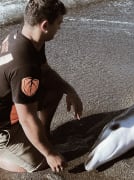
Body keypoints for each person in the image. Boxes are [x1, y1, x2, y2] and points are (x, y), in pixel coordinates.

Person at [0, 0, 83, 173]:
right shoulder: (25, 65)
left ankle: (42, 135)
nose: (59, 29)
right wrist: (49, 153)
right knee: (40, 164)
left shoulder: (27, 38)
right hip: (3, 125)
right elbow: (27, 118)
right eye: (58, 24)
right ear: (45, 25)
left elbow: (45, 71)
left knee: (55, 87)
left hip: (12, 100)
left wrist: (70, 90)